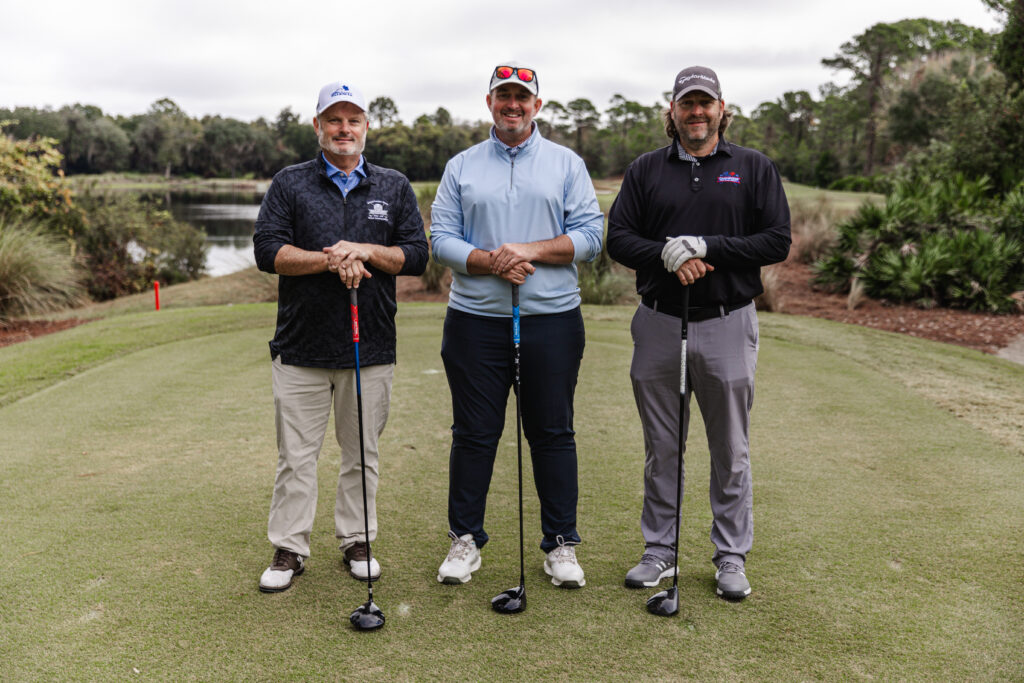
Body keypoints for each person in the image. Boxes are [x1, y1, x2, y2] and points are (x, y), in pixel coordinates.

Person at [607, 66, 790, 600]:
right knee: (662, 448)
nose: (696, 112)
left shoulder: (752, 167)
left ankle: (730, 556)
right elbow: (619, 238)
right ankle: (659, 550)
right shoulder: (646, 169)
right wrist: (667, 253)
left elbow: (776, 240)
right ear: (672, 110)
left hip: (728, 322)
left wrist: (707, 246)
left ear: (721, 109)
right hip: (659, 322)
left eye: (705, 103)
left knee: (730, 449)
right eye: (687, 103)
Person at [430, 63, 604, 588]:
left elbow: (591, 236)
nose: (513, 105)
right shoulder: (461, 166)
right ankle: (465, 540)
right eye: (503, 96)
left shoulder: (566, 163)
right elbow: (441, 239)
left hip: (551, 320)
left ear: (537, 106)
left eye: (522, 97)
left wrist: (527, 251)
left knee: (553, 433)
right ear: (489, 103)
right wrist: (491, 262)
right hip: (474, 321)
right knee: (473, 434)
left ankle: (561, 544)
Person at [252, 80, 428, 592]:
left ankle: (357, 539)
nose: (343, 128)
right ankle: (289, 547)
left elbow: (416, 255)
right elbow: (269, 251)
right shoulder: (290, 183)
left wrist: (365, 251)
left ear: (366, 126)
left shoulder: (393, 186)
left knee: (361, 453)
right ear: (318, 126)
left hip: (369, 345)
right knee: (296, 457)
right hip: (301, 347)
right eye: (334, 119)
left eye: (353, 120)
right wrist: (332, 258)